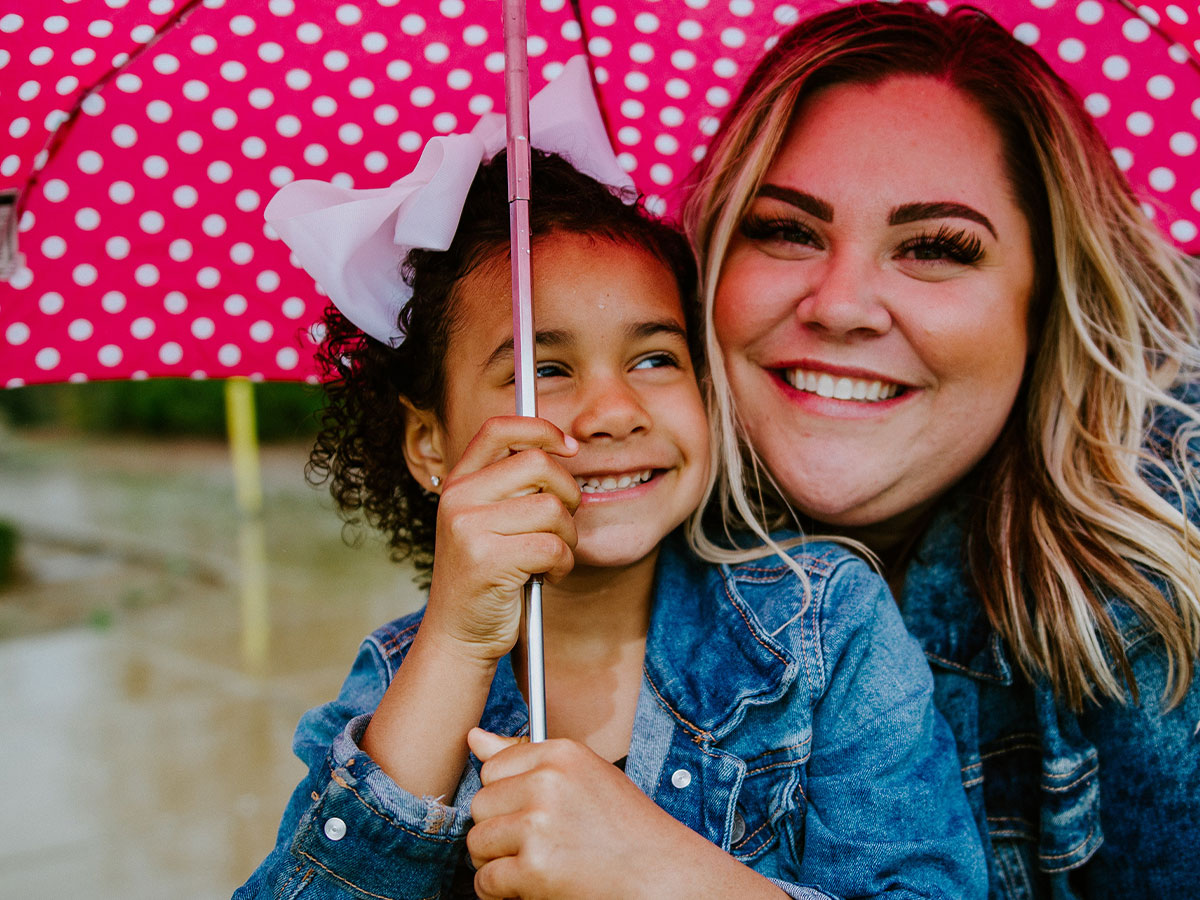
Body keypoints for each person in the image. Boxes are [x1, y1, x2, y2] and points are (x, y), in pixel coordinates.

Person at [236, 61, 985, 900]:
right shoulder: (396, 675)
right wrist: (454, 646)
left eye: (656, 357)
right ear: (428, 443)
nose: (613, 411)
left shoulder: (822, 629)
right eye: (542, 370)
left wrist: (661, 876)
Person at [684, 3, 1200, 898]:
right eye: (786, 230)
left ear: (1042, 301)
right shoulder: (585, 564)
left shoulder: (1157, 593)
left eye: (935, 248)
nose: (841, 305)